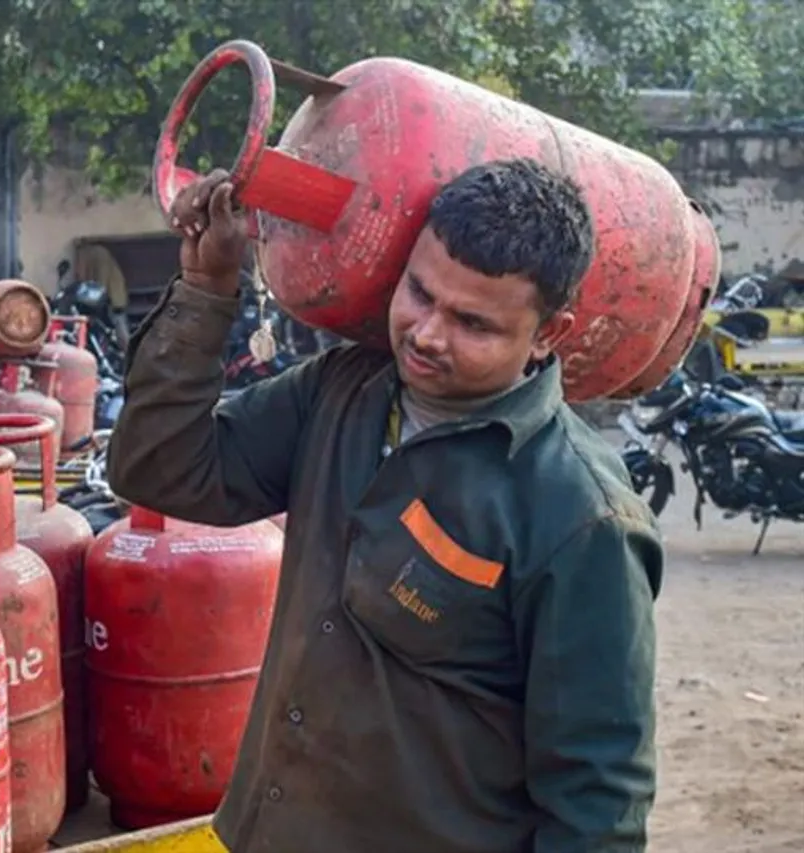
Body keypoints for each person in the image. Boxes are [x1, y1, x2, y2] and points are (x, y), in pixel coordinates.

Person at [106, 158, 663, 853]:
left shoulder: (581, 519)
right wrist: (204, 288)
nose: (427, 334)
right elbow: (158, 470)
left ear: (549, 332)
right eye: (419, 293)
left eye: (472, 323)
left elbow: (598, 800)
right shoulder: (343, 392)